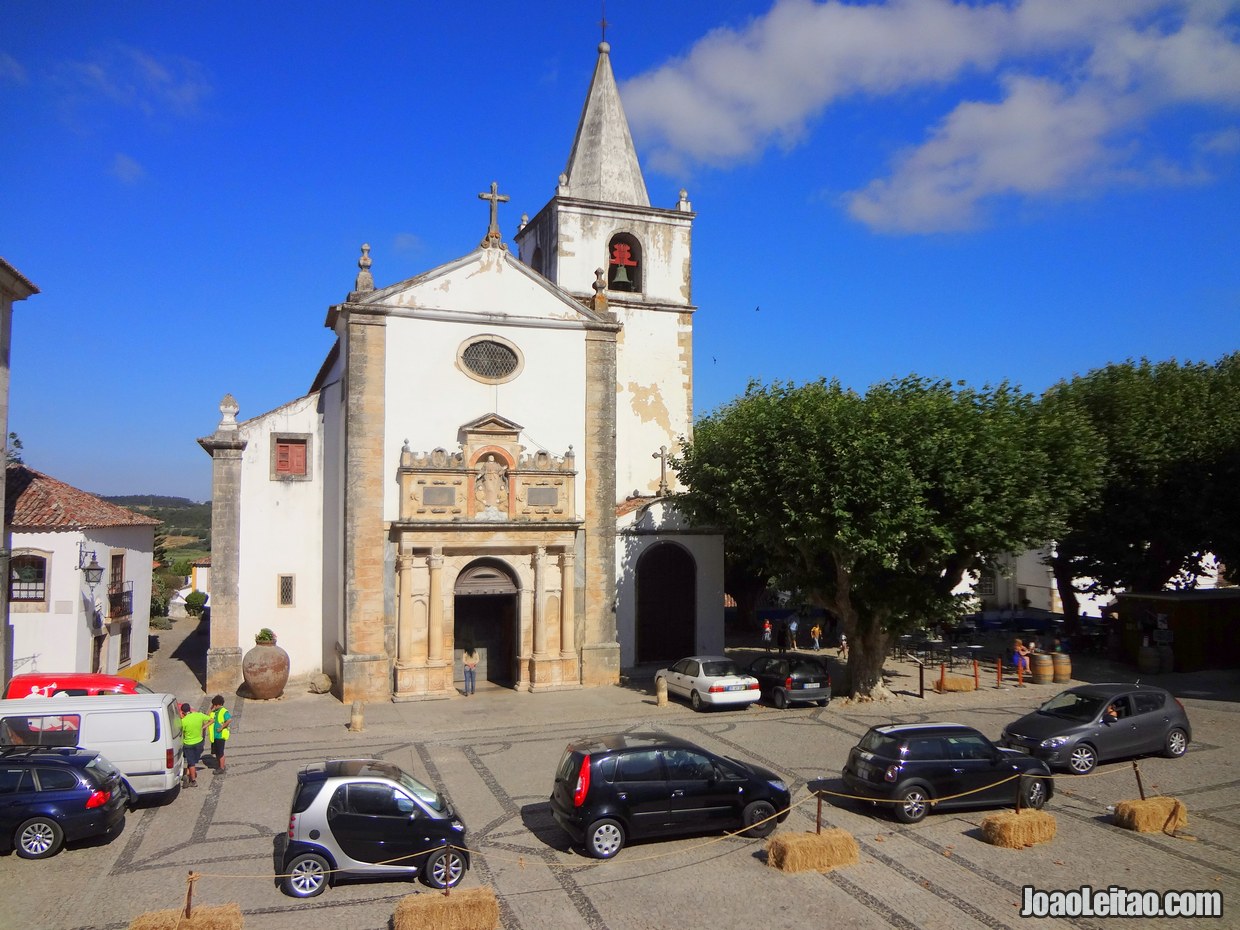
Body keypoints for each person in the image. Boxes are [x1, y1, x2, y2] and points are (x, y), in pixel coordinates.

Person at [179, 702, 211, 787]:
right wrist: (204, 727)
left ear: (182, 712)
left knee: (191, 763)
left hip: (188, 744)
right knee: (192, 761)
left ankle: (193, 781)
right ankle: (187, 775)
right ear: (190, 709)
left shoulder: (183, 721)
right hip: (199, 743)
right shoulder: (199, 715)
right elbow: (211, 719)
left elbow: (181, 732)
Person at [206, 695, 232, 773]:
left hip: (220, 735)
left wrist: (221, 728)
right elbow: (207, 716)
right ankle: (219, 765)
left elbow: (229, 720)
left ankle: (221, 767)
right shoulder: (214, 711)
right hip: (214, 736)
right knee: (217, 752)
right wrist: (211, 709)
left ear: (218, 704)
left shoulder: (224, 711)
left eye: (214, 704)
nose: (213, 706)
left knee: (220, 752)